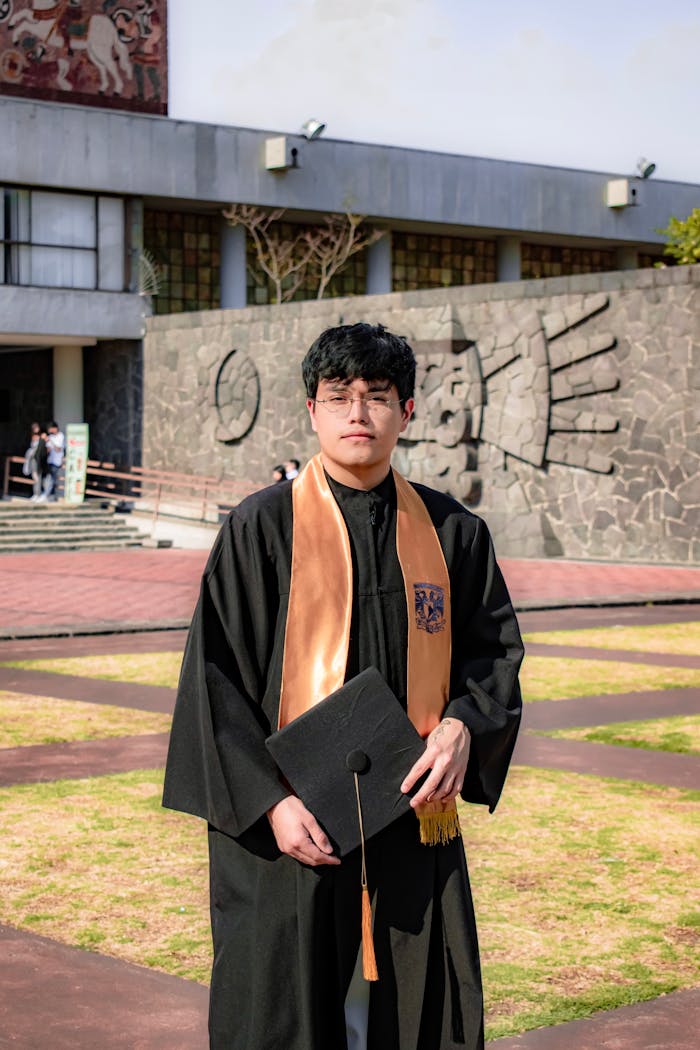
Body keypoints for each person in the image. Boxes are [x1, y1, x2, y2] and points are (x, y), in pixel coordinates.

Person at [163, 322, 524, 1050]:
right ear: (312, 411)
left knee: (422, 1010)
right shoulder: (261, 529)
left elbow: (493, 658)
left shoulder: (453, 534)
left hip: (411, 816)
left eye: (378, 396)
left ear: (408, 412)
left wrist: (462, 727)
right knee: (283, 1012)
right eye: (340, 396)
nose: (358, 413)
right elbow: (215, 681)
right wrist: (270, 803)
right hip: (292, 828)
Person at [23, 422, 48, 501]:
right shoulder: (32, 437)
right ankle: (36, 493)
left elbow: (44, 448)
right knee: (35, 477)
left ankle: (40, 493)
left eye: (37, 427)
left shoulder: (43, 436)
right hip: (33, 459)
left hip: (39, 459)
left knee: (39, 477)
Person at [41, 421, 65, 502]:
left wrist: (49, 440)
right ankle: (49, 495)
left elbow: (58, 449)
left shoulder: (61, 436)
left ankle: (46, 495)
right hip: (50, 461)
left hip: (57, 461)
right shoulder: (50, 436)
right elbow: (48, 449)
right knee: (48, 478)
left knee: (52, 479)